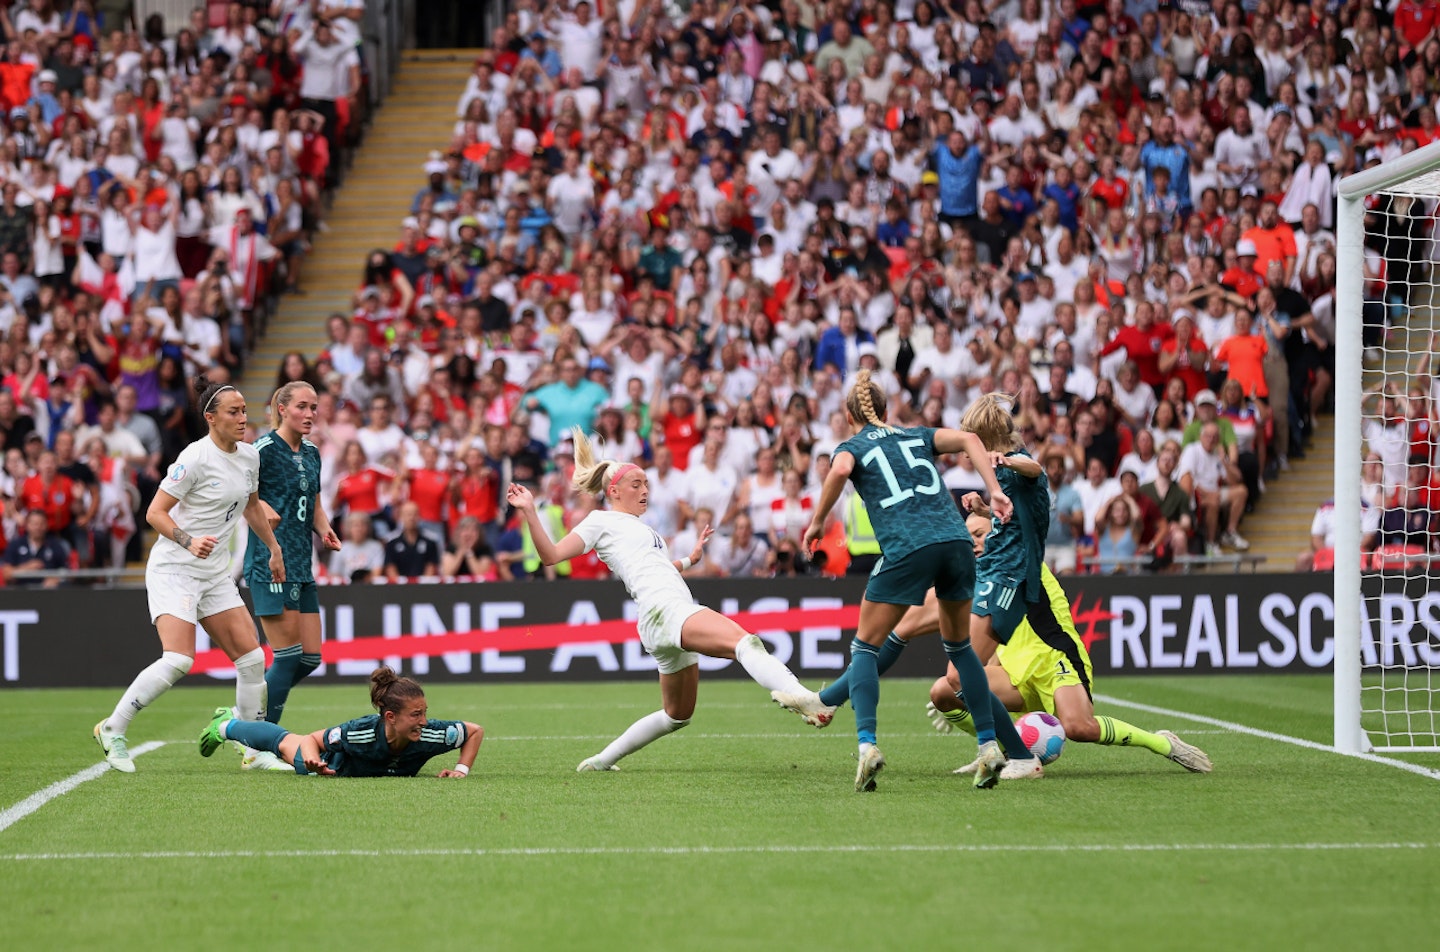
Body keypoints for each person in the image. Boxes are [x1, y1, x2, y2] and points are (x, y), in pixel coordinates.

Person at [505, 426, 834, 772]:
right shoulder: (599, 521)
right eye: (637, 485)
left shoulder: (645, 531)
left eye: (647, 484)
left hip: (657, 619)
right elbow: (551, 555)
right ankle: (801, 696)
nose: (645, 490)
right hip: (666, 610)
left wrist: (690, 559)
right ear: (613, 491)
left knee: (678, 715)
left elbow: (656, 568)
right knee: (744, 642)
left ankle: (601, 761)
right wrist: (529, 510)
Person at [797, 372, 1037, 791]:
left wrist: (818, 521)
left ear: (849, 414)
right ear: (888, 411)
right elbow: (970, 441)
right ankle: (988, 747)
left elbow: (839, 468)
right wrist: (995, 490)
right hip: (956, 543)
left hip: (909, 548)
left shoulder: (851, 446)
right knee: (960, 648)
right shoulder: (916, 435)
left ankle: (867, 745)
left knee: (865, 646)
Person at [94, 379, 286, 773]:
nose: (242, 418)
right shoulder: (194, 458)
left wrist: (274, 548)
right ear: (210, 418)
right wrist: (188, 539)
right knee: (179, 659)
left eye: (244, 411)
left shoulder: (250, 456)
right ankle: (112, 727)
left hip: (213, 573)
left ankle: (253, 748)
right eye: (233, 412)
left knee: (251, 658)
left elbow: (252, 508)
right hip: (175, 568)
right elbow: (154, 513)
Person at [931, 514, 1211, 775]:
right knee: (944, 689)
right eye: (970, 540)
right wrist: (967, 698)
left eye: (980, 534)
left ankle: (1161, 742)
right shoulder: (982, 581)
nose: (975, 543)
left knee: (1079, 727)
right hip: (1017, 673)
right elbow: (992, 641)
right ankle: (998, 750)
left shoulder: (1022, 556)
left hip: (1056, 660)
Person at [247, 382, 342, 751]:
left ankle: (244, 718)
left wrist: (325, 528)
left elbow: (314, 504)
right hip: (271, 563)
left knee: (309, 659)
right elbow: (243, 497)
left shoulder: (313, 452)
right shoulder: (262, 451)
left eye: (314, 407)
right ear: (281, 408)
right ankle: (258, 739)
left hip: (302, 563)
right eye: (302, 406)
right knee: (286, 658)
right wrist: (259, 512)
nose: (310, 414)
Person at [200, 665, 482, 778]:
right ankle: (225, 725)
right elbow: (313, 739)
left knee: (282, 747)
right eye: (416, 715)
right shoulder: (362, 733)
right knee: (284, 743)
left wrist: (461, 770)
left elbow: (474, 731)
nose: (424, 721)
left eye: (424, 713)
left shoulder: (433, 734)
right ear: (390, 717)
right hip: (329, 761)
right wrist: (312, 761)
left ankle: (248, 748)